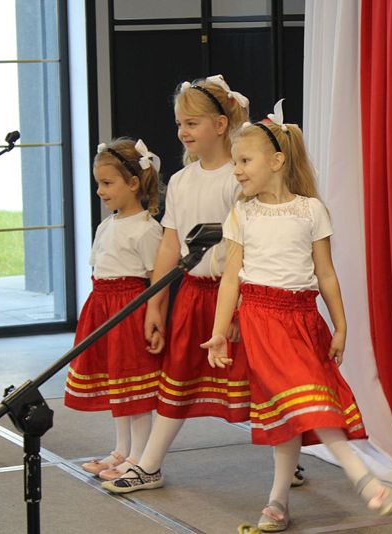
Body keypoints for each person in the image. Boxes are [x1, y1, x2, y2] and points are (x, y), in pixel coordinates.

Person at [202, 102, 392, 531]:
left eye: (245, 160)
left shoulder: (311, 210)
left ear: (276, 162)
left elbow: (325, 274)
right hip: (262, 321)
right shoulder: (242, 214)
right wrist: (219, 331)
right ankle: (363, 478)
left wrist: (341, 325)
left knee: (291, 411)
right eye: (235, 162)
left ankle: (277, 502)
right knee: (307, 401)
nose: (236, 170)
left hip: (304, 320)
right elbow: (231, 279)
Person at [102, 75, 252, 493]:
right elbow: (170, 244)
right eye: (179, 124)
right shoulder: (183, 180)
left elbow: (250, 248)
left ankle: (286, 453)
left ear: (220, 125)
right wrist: (156, 305)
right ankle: (149, 465)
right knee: (177, 378)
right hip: (193, 295)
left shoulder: (239, 178)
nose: (183, 132)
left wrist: (237, 307)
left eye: (192, 123)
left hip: (233, 293)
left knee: (258, 379)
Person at [64, 138, 163, 482]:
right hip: (103, 308)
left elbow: (157, 280)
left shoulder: (147, 229)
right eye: (98, 183)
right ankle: (121, 449)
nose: (100, 191)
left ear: (133, 183)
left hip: (129, 311)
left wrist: (155, 320)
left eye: (107, 183)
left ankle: (139, 455)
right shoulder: (107, 225)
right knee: (116, 385)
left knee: (135, 389)